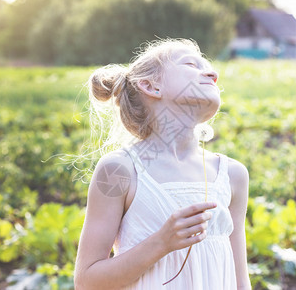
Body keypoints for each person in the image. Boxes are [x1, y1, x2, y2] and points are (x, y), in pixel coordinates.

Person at [74, 38, 251, 290]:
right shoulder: (119, 170)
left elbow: (240, 281)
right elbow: (87, 281)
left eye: (209, 66)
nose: (213, 73)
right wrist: (161, 242)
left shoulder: (233, 174)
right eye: (191, 64)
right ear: (150, 86)